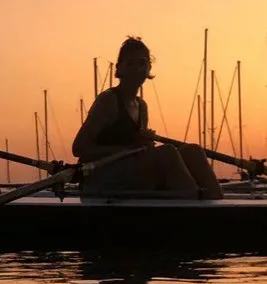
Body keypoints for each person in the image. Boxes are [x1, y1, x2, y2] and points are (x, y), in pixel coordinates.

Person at [72, 36, 222, 199]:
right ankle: (193, 208)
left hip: (131, 173)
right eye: (130, 63)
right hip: (103, 179)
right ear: (119, 69)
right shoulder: (108, 101)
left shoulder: (142, 106)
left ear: (149, 68)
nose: (137, 68)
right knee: (167, 153)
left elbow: (138, 150)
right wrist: (130, 148)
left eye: (142, 63)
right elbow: (79, 148)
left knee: (193, 151)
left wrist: (144, 145)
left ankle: (216, 206)